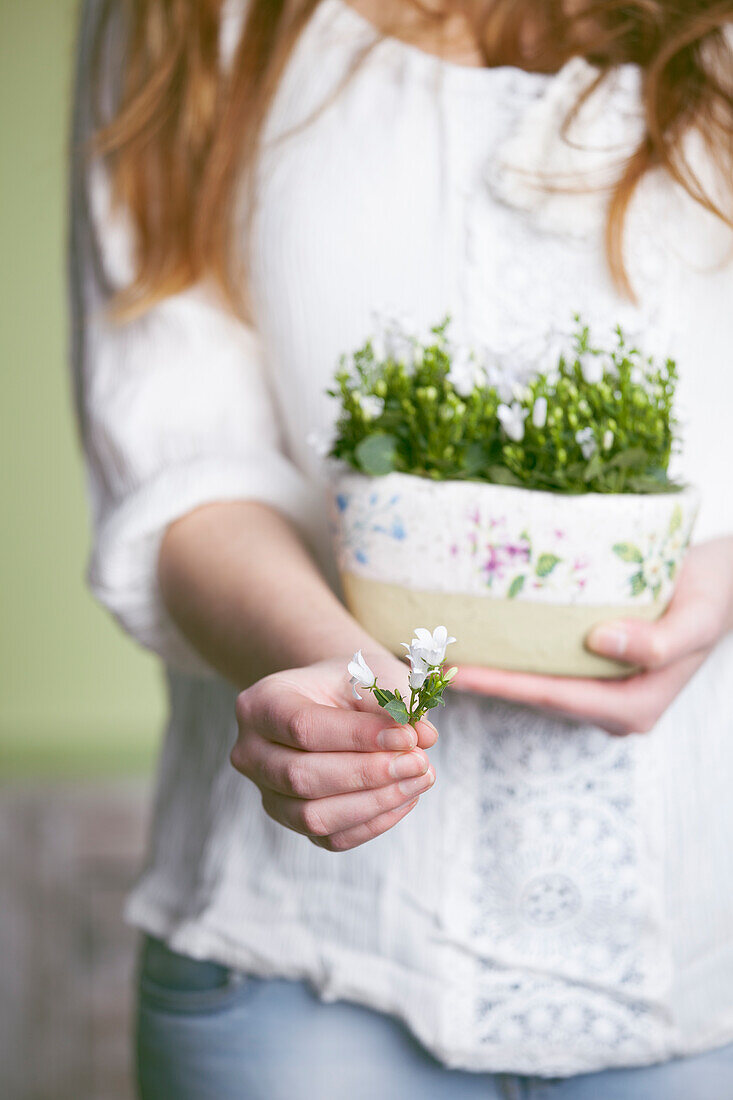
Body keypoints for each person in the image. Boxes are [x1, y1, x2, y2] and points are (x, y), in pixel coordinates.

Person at [68, 1, 733, 1096]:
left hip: (707, 967)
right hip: (307, 975)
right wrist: (326, 660)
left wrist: (715, 580)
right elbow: (181, 456)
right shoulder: (190, 20)